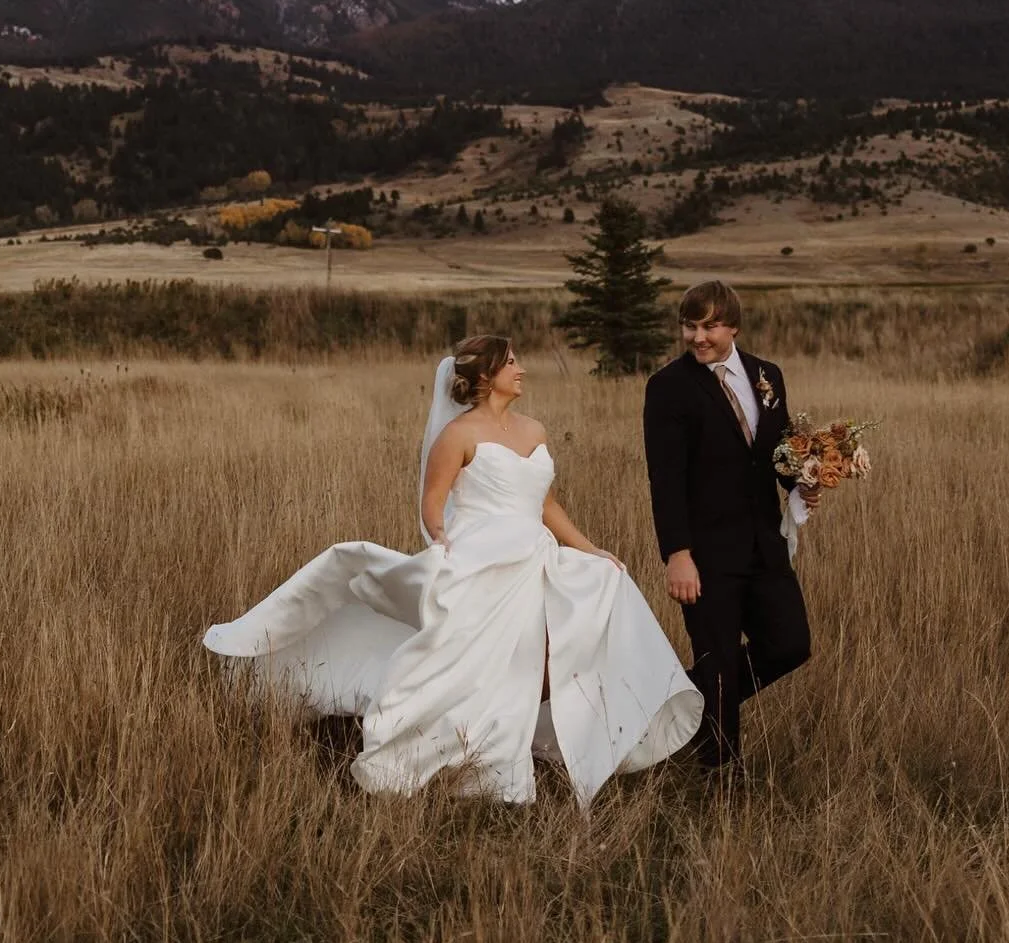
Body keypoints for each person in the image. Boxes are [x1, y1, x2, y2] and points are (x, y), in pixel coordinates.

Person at [203, 336, 702, 807]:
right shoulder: (457, 434)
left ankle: (579, 730)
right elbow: (433, 501)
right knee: (477, 663)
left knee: (598, 597)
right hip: (483, 557)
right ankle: (459, 747)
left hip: (537, 554)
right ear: (486, 376)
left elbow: (546, 502)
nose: (521, 369)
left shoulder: (534, 431)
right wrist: (440, 539)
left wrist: (591, 549)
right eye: (510, 363)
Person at [642, 281, 817, 774]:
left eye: (709, 326)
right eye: (689, 326)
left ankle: (683, 707)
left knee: (789, 644)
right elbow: (665, 478)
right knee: (718, 669)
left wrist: (804, 482)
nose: (698, 337)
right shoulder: (668, 386)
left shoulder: (768, 375)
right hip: (704, 553)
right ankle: (723, 783)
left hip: (765, 543)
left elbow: (777, 456)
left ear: (733, 326)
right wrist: (677, 552)